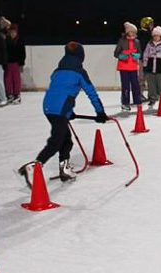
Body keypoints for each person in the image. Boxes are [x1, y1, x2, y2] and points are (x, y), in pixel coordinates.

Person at [18, 42, 106, 186]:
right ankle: (34, 166)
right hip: (60, 110)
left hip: (48, 108)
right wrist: (100, 112)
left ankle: (64, 169)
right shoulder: (79, 73)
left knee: (66, 140)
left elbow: (61, 91)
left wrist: (68, 112)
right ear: (80, 56)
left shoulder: (57, 71)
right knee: (57, 140)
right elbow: (92, 94)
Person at [114, 21, 142, 112]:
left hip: (133, 66)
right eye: (131, 32)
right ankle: (125, 103)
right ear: (127, 32)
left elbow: (140, 53)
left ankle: (137, 101)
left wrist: (136, 56)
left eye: (134, 32)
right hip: (124, 67)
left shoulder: (137, 42)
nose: (133, 34)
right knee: (125, 85)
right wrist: (123, 56)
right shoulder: (122, 41)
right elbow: (116, 53)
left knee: (135, 85)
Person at [143, 26, 161, 109]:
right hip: (150, 68)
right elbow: (145, 55)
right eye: (154, 36)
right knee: (151, 85)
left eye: (157, 36)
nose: (156, 37)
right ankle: (152, 98)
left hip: (160, 68)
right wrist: (145, 65)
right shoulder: (149, 44)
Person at [4, 23, 25, 104]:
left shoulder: (20, 40)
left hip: (16, 63)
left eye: (14, 32)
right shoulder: (7, 40)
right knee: (8, 79)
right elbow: (4, 52)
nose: (12, 33)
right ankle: (9, 94)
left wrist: (21, 62)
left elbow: (23, 52)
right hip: (8, 63)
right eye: (11, 32)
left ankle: (17, 94)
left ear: (16, 32)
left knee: (16, 79)